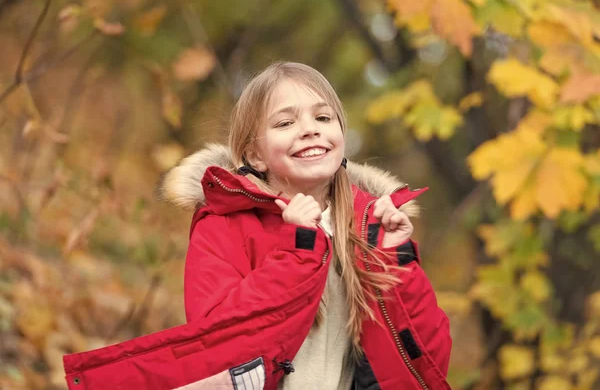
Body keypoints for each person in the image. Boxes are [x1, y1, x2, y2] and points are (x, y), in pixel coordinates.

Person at [62, 62, 452, 390]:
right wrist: (297, 251)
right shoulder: (224, 224)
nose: (310, 129)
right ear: (255, 154)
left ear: (341, 136)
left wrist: (395, 259)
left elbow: (426, 359)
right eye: (285, 122)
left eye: (323, 117)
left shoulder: (369, 226)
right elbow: (219, 340)